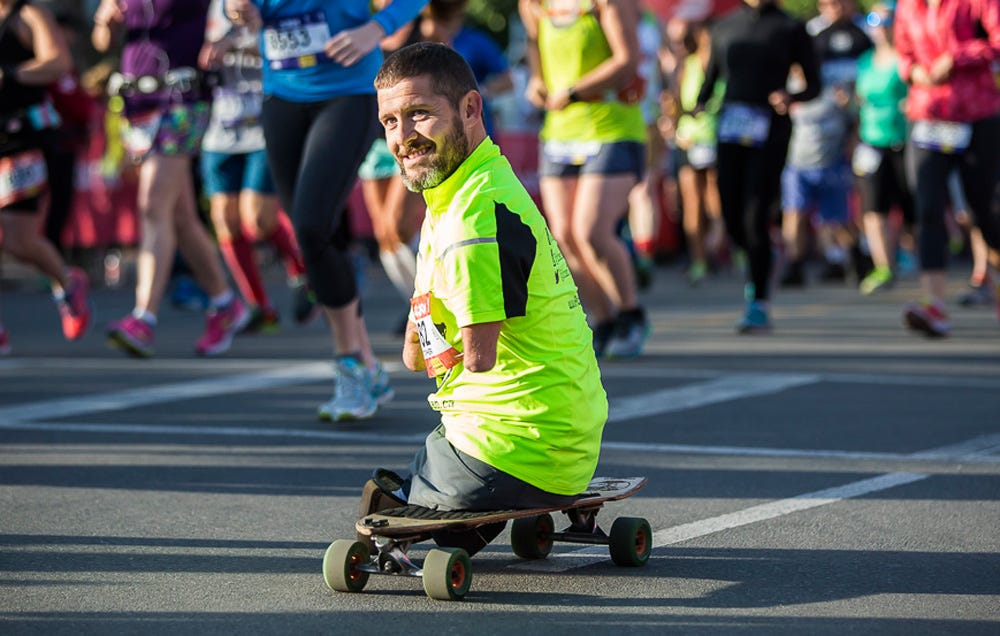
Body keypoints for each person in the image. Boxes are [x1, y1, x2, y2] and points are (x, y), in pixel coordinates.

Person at [364, 41, 607, 556]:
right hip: (558, 436)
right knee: (411, 481)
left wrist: (434, 335)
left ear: (471, 108)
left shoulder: (474, 217)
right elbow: (417, 352)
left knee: (381, 504)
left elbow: (473, 357)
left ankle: (458, 509)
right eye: (389, 122)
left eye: (419, 115)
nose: (402, 138)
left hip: (518, 443)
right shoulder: (460, 190)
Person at [224, 0, 428, 420]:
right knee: (316, 231)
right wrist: (236, 9)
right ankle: (368, 363)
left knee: (311, 225)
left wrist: (375, 28)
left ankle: (349, 362)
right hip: (281, 94)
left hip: (346, 94)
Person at [93, 0, 250, 358]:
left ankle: (143, 318)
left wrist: (225, 40)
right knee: (178, 215)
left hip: (184, 97)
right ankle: (226, 305)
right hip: (138, 100)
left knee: (152, 205)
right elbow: (103, 41)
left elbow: (240, 12)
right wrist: (105, 22)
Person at [519, 0, 650, 358]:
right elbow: (534, 42)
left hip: (611, 127)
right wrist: (536, 79)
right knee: (562, 237)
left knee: (591, 231)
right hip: (560, 132)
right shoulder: (534, 3)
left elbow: (627, 61)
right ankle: (603, 320)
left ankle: (631, 314)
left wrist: (574, 90)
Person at [696, 0, 821, 333]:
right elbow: (711, 80)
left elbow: (814, 84)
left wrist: (791, 97)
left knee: (755, 215)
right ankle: (765, 253)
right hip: (731, 128)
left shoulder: (790, 27)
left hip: (771, 131)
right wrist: (694, 107)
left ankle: (758, 301)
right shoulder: (724, 27)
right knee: (731, 213)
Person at [199, 0, 314, 333]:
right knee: (224, 219)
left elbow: (294, 54)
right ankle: (259, 307)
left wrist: (234, 44)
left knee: (258, 218)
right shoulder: (210, 8)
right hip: (221, 126)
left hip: (264, 123)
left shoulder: (275, 5)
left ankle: (305, 270)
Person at [895, 0, 1000, 336]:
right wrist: (913, 71)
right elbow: (902, 53)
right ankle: (934, 306)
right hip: (927, 116)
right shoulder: (909, 6)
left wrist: (955, 58)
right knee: (927, 209)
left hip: (977, 114)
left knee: (985, 211)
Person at [1, 0, 91, 356]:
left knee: (17, 239)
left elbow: (58, 62)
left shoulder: (29, 14)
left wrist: (12, 74)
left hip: (21, 138)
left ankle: (68, 284)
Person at [853, 2, 915, 295]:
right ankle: (883, 266)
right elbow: (859, 97)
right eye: (873, 20)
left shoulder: (906, 58)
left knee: (906, 204)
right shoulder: (865, 60)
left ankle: (909, 254)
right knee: (872, 207)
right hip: (870, 141)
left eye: (886, 20)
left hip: (903, 141)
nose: (880, 26)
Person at [668, 17, 725, 287]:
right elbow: (676, 103)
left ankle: (723, 247)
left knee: (716, 199)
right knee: (692, 203)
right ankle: (699, 260)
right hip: (690, 140)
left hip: (714, 137)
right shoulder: (684, 67)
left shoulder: (717, 65)